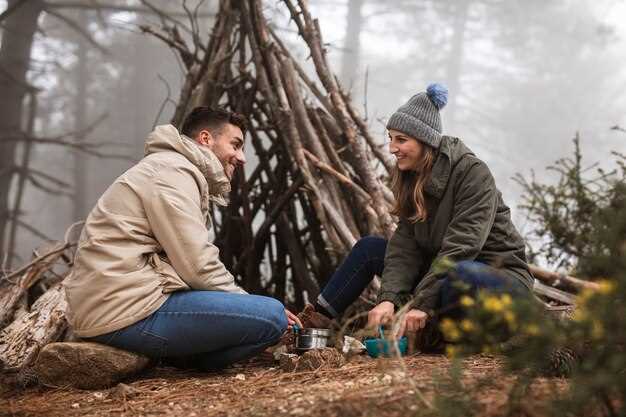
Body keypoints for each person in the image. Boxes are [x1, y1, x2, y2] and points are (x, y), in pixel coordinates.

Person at [298, 84, 533, 349]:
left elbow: (463, 247)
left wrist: (421, 304)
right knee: (370, 250)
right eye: (390, 138)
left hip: (496, 279)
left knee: (462, 273)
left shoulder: (472, 174)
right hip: (447, 273)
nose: (391, 148)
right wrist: (388, 298)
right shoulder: (411, 176)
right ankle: (311, 327)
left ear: (425, 141)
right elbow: (404, 246)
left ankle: (443, 337)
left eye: (401, 140)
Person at [64, 106, 300, 370]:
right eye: (235, 145)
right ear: (206, 139)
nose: (241, 157)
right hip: (125, 310)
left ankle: (175, 359)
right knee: (272, 317)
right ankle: (183, 361)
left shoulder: (172, 169)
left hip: (120, 305)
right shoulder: (172, 172)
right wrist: (246, 304)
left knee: (266, 318)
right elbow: (196, 264)